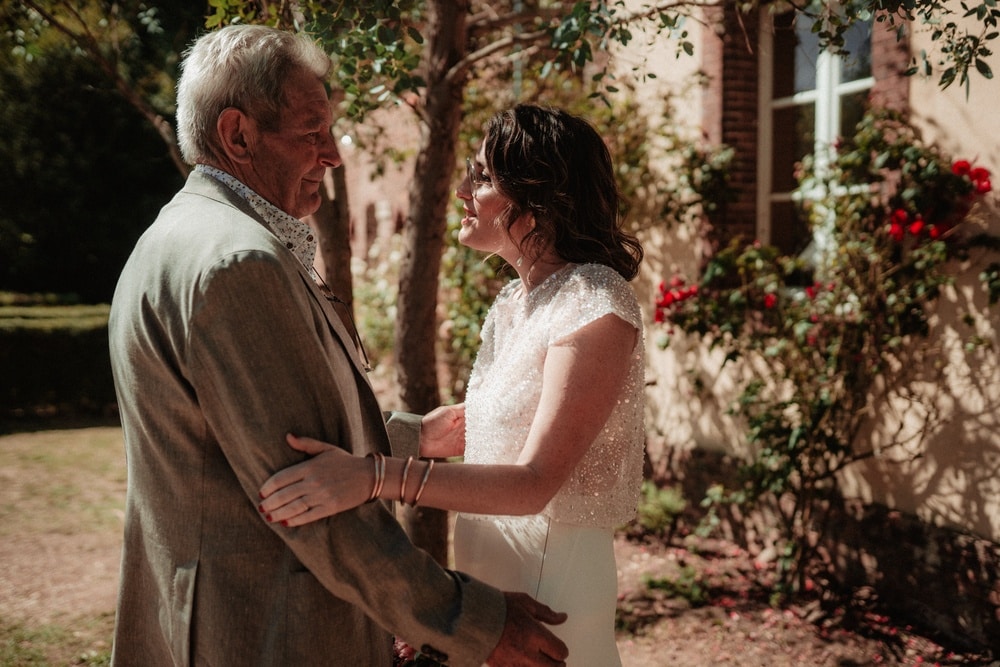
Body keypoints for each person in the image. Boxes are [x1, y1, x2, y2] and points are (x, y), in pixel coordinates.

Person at [107, 25, 569, 667]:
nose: (333, 155)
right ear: (238, 134)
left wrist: (408, 438)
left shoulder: (178, 233)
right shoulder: (239, 265)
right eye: (311, 132)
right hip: (264, 630)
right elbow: (307, 495)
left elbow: (253, 434)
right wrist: (475, 623)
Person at [258, 104, 646, 666]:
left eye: (484, 177)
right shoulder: (516, 303)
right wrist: (443, 617)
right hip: (490, 575)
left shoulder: (594, 303)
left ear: (540, 197)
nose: (464, 190)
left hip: (550, 580)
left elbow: (534, 482)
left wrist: (371, 479)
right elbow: (487, 430)